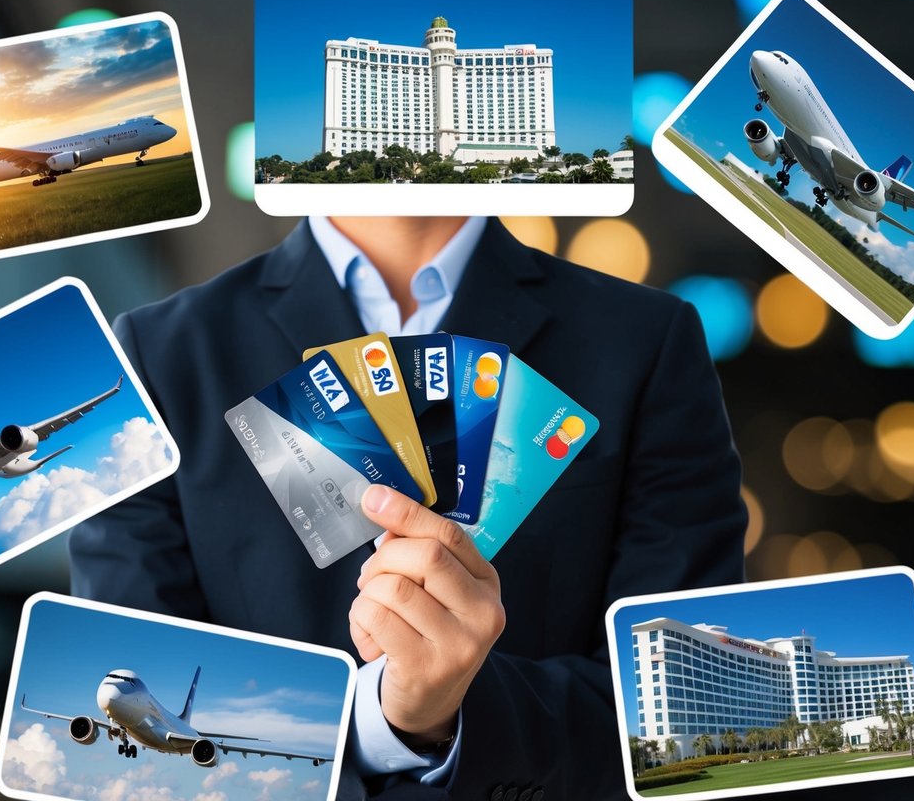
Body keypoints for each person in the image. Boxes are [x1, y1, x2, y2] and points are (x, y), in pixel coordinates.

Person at [69, 216, 747, 799]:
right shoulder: (156, 356)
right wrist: (378, 718)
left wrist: (458, 713)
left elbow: (683, 711)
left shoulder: (644, 341)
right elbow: (123, 687)